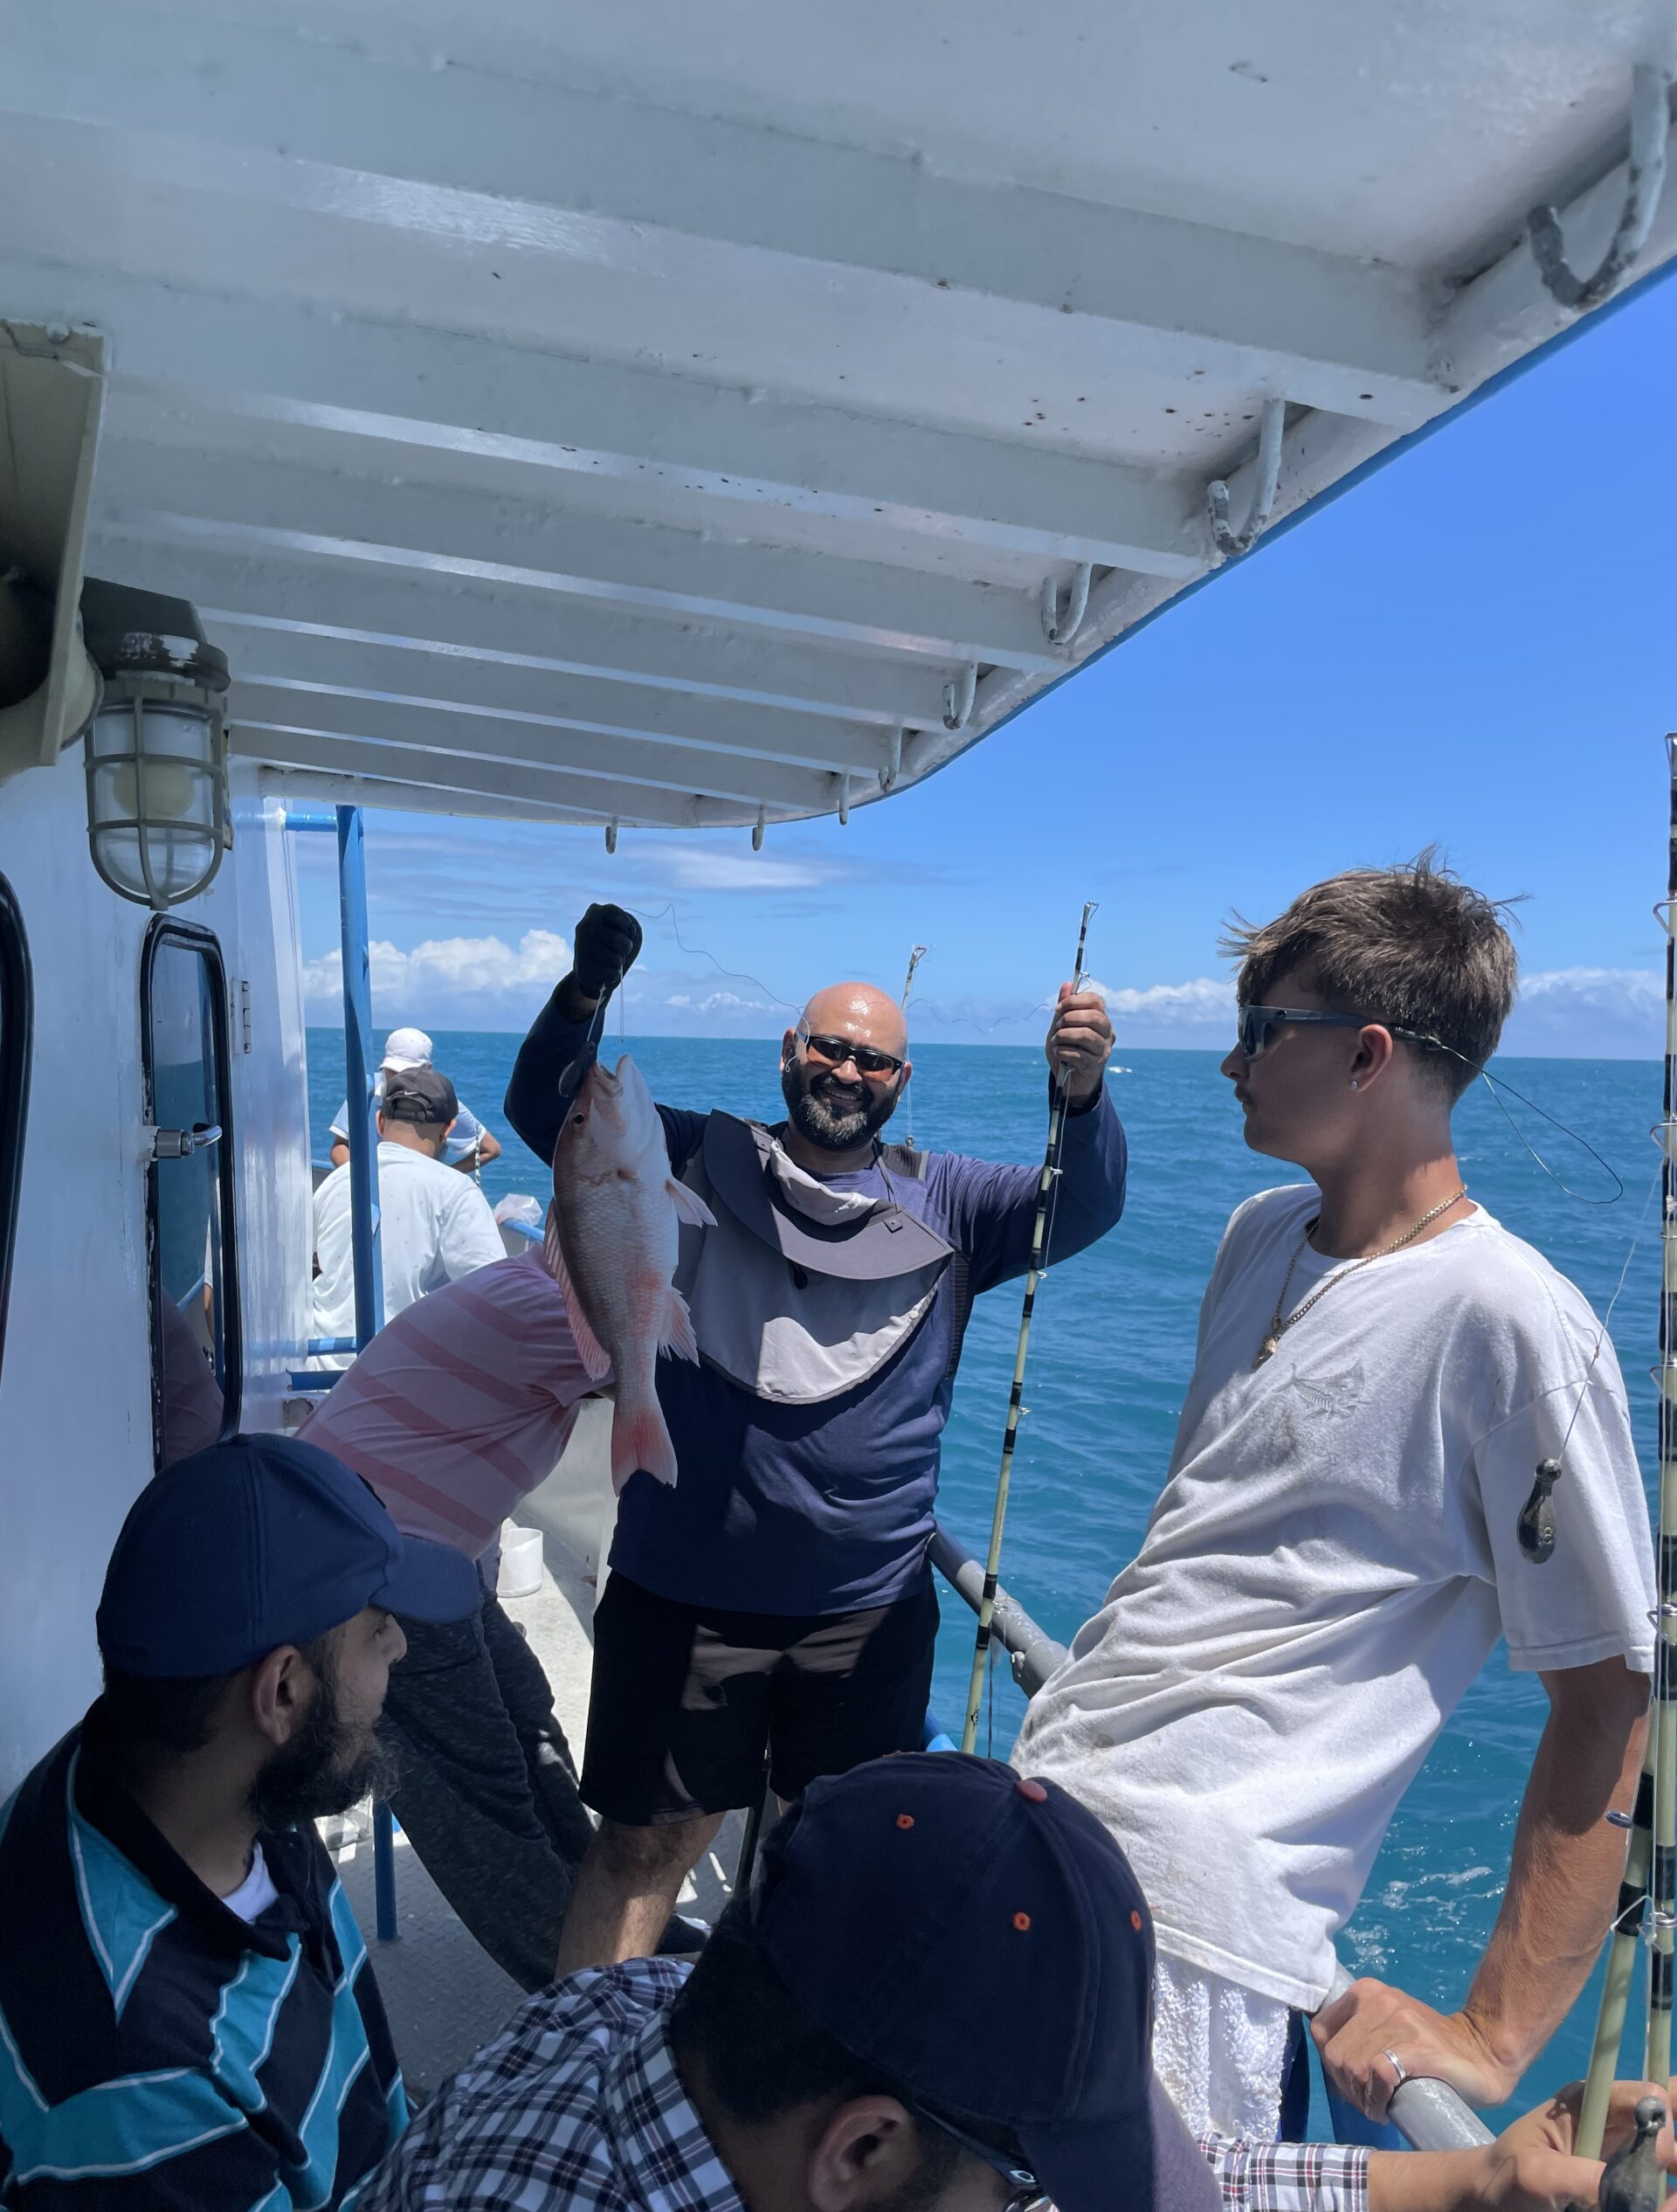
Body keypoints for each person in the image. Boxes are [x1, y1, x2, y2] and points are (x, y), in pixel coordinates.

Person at [1014, 855, 1655, 2142]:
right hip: (1048, 1811)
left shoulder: (1513, 1320)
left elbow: (1611, 1690)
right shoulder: (1259, 1231)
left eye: (1262, 1030)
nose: (1230, 1061)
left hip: (1193, 1935)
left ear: (1368, 1055)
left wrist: (1493, 2034)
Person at [501, 903, 1125, 1972]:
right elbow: (546, 1110)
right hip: (680, 1589)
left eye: (873, 1059)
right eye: (830, 1047)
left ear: (901, 1080)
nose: (848, 1071)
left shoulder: (951, 1200)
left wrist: (1082, 1096)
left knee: (834, 1856)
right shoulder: (694, 1152)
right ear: (789, 1051)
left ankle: (775, 2052)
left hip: (864, 1612)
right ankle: (583, 2046)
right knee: (640, 1849)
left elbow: (1081, 1205)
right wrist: (583, 995)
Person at [360, 1750, 1671, 2212]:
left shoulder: (629, 2011)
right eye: (1018, 2184)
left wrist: (1480, 2178)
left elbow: (1180, 2180)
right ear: (859, 2149)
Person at [0, 1432, 480, 2209]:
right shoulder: (139, 2080)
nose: (398, 1643)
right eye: (375, 1625)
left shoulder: (201, 1776)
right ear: (282, 1692)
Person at [305, 1246, 701, 1990]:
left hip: (418, 1555)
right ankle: (574, 1991)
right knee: (481, 1802)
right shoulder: (552, 1316)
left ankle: (614, 1923)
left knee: (529, 1722)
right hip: (363, 1579)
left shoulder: (537, 1285)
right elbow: (698, 1382)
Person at [313, 1066, 507, 1360]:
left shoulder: (335, 1183)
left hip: (319, 1368)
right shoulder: (456, 1191)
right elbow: (497, 1299)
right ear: (448, 1129)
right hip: (400, 1373)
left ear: (380, 1122)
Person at [329, 1025, 501, 1174]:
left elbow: (490, 1149)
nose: (400, 1079)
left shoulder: (444, 1105)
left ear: (428, 1069)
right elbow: (340, 1146)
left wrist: (443, 1176)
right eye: (393, 1071)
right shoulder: (365, 1093)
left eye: (408, 1071)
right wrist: (364, 1184)